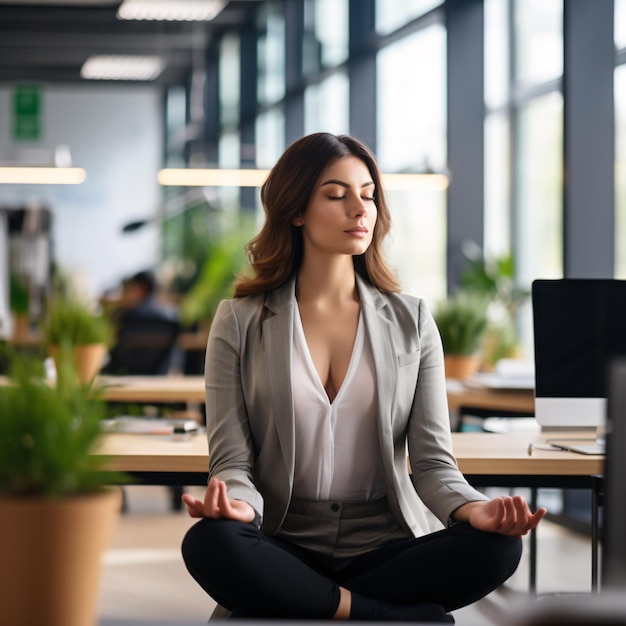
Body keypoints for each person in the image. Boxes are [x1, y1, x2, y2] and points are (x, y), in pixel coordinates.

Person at [181, 132, 546, 622]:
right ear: (296, 210)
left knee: (498, 549)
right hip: (283, 539)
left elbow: (435, 465)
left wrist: (474, 509)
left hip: (383, 543)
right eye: (337, 195)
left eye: (368, 195)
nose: (360, 209)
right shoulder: (240, 320)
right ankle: (379, 613)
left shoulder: (412, 320)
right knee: (209, 542)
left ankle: (317, 603)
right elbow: (232, 462)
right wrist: (239, 508)